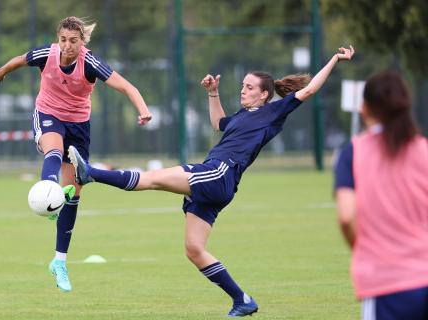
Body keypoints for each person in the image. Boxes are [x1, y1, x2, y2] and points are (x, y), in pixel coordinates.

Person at [69, 46, 355, 317]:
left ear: (265, 95)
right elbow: (219, 124)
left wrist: (334, 59)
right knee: (194, 250)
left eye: (250, 87)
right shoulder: (245, 115)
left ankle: (90, 173)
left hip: (219, 173)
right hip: (218, 183)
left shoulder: (274, 112)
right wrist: (213, 93)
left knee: (153, 178)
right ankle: (243, 301)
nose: (243, 90)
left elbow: (311, 88)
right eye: (242, 85)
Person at [0, 16, 152, 293]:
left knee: (74, 192)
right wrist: (2, 72)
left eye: (73, 41)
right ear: (58, 38)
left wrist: (143, 109)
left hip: (79, 125)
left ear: (82, 41)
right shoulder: (47, 53)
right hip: (49, 114)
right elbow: (20, 59)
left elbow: (127, 86)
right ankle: (50, 191)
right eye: (63, 40)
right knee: (53, 149)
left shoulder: (90, 62)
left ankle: (59, 261)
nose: (67, 46)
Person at [334, 71, 428, 319]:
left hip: (387, 281)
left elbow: (346, 216)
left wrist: (365, 249)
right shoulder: (423, 148)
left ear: (364, 108)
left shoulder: (354, 152)